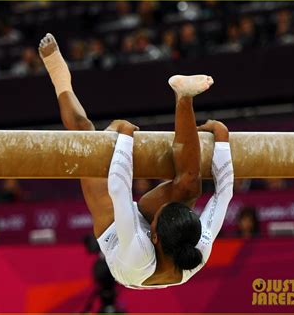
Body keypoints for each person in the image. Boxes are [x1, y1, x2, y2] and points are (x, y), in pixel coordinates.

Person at [38, 33, 234, 289]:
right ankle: (184, 97)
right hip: (158, 241)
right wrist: (221, 139)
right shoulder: (199, 246)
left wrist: (124, 136)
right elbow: (225, 193)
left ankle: (58, 74)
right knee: (188, 187)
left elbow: (119, 190)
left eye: (157, 215)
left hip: (118, 240)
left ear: (154, 234)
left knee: (84, 132)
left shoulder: (137, 255)